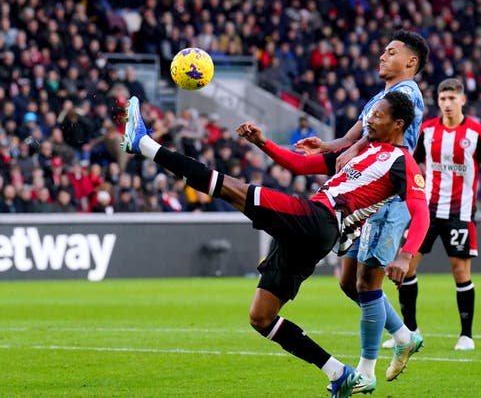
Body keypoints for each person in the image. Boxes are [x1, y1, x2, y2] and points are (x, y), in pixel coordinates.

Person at [121, 92, 429, 398]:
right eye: (370, 113)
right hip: (314, 231)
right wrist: (262, 142)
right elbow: (299, 165)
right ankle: (339, 373)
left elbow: (421, 212)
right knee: (261, 316)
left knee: (233, 189)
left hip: (321, 220)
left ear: (398, 124)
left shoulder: (402, 162)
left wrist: (405, 255)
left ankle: (145, 144)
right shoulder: (360, 150)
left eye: (377, 115)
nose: (369, 119)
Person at [294, 29, 430, 391]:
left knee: (367, 284)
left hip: (390, 194)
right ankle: (403, 336)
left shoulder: (406, 94)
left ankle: (365, 372)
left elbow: (371, 139)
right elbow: (351, 139)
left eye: (391, 51)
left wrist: (356, 148)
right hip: (365, 195)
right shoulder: (380, 96)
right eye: (383, 50)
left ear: (411, 62)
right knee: (347, 282)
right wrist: (329, 145)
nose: (382, 56)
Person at [383, 78, 481, 351]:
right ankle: (410, 331)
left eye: (452, 99)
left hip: (460, 213)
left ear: (462, 100)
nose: (447, 104)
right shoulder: (427, 132)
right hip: (425, 210)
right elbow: (408, 163)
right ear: (437, 102)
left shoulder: (477, 133)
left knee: (460, 271)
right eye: (443, 99)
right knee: (407, 267)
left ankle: (466, 335)